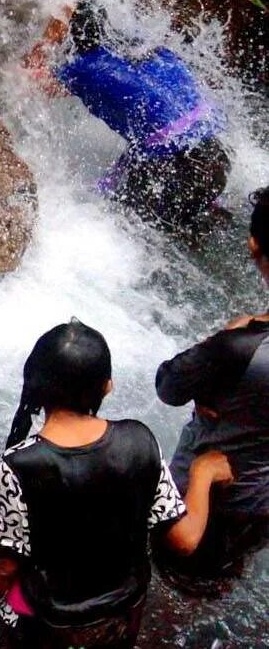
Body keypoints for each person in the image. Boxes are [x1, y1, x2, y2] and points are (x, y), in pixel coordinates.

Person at [0, 320, 233, 648]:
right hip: (117, 623)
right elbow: (184, 539)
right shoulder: (140, 441)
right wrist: (202, 474)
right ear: (107, 386)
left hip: (46, 627)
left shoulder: (20, 464)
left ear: (36, 385)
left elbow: (4, 563)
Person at [24, 0, 228, 230]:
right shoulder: (142, 45)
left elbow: (31, 78)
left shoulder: (87, 70)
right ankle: (203, 215)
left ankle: (192, 228)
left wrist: (48, 38)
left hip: (179, 174)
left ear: (73, 42)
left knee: (122, 221)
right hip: (216, 156)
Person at [153, 186, 269, 588]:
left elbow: (168, 386)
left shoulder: (239, 348)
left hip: (203, 505)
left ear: (255, 247)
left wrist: (224, 341)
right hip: (260, 506)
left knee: (173, 594)